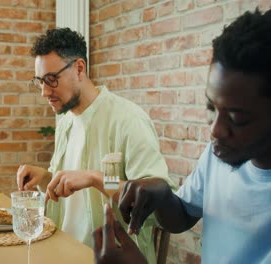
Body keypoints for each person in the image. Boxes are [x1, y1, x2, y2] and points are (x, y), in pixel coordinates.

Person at [93, 8, 271, 263]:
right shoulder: (220, 152)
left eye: (237, 118)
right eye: (211, 107)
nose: (215, 130)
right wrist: (163, 194)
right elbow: (183, 216)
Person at [16, 27, 174, 263]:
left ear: (79, 68)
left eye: (51, 80)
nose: (44, 92)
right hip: (61, 251)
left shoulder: (129, 120)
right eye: (39, 81)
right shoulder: (66, 121)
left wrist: (97, 178)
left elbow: (155, 206)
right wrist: (47, 178)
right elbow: (74, 190)